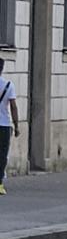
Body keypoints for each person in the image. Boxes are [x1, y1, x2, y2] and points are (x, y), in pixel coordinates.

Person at [0, 58, 19, 195]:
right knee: (2, 155)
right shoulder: (8, 85)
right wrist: (16, 125)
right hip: (4, 125)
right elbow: (13, 107)